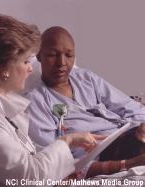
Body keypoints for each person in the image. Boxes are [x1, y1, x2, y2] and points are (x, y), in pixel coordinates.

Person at [0, 15, 103, 187]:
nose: (30, 68)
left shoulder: (1, 108)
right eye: (26, 61)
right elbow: (27, 177)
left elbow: (31, 163)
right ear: (4, 67)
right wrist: (67, 141)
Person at [26, 26, 145, 178]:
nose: (61, 62)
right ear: (39, 56)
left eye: (69, 55)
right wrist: (126, 163)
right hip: (102, 153)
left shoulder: (87, 78)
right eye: (52, 55)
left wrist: (141, 127)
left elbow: (132, 108)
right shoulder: (36, 101)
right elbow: (52, 158)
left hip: (128, 135)